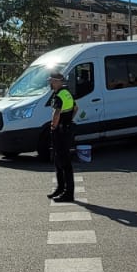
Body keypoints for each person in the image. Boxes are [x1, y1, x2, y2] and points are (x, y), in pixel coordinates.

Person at [44, 71, 76, 202]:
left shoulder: (59, 95)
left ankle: (68, 193)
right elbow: (76, 108)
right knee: (59, 161)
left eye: (52, 81)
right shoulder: (66, 93)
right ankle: (60, 188)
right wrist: (68, 121)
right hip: (66, 129)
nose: (50, 83)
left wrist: (53, 126)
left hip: (60, 132)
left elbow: (56, 113)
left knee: (64, 162)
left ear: (58, 81)